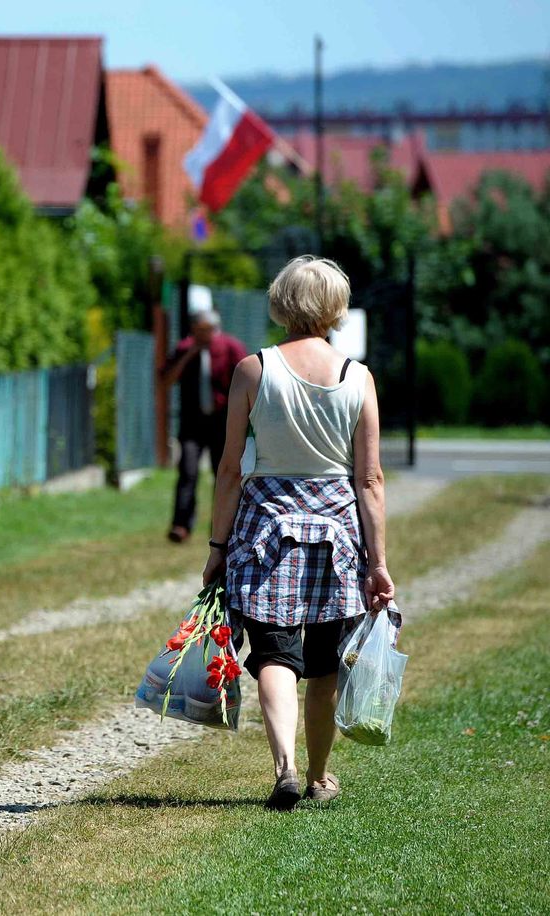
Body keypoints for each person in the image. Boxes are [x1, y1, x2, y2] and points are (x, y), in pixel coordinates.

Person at [202, 255, 395, 810]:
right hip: (336, 534)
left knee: (273, 655)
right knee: (326, 663)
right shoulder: (358, 378)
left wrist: (218, 546)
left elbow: (231, 468)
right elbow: (370, 478)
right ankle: (316, 775)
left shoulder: (253, 369)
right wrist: (377, 562)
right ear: (335, 308)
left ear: (281, 303)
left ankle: (283, 765)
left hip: (266, 527)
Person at [160, 310, 247, 543]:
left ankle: (222, 527)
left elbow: (248, 378)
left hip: (222, 423)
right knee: (187, 471)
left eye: (206, 331)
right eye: (197, 331)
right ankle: (181, 525)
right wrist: (188, 355)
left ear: (215, 329)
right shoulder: (184, 348)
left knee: (224, 474)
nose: (201, 336)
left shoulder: (230, 347)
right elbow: (166, 380)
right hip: (192, 423)